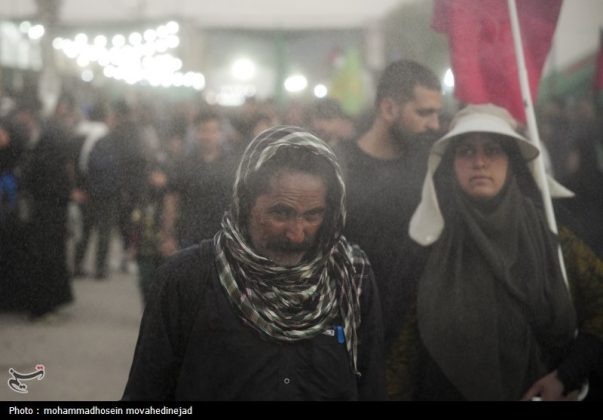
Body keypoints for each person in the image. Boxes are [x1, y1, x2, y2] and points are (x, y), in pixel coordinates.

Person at [123, 126, 386, 400]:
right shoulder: (188, 280)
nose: (297, 232)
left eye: (312, 216)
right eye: (281, 213)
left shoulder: (351, 278)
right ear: (245, 203)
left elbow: (371, 385)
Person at [386, 104, 603, 401]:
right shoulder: (428, 242)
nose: (479, 162)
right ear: (451, 164)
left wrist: (566, 375)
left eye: (492, 150)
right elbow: (401, 355)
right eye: (465, 151)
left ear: (511, 160)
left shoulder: (554, 234)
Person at [335, 59, 443, 346]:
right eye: (424, 112)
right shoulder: (338, 166)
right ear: (388, 109)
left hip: (414, 334)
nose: (434, 124)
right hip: (349, 329)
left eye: (436, 113)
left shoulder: (432, 166)